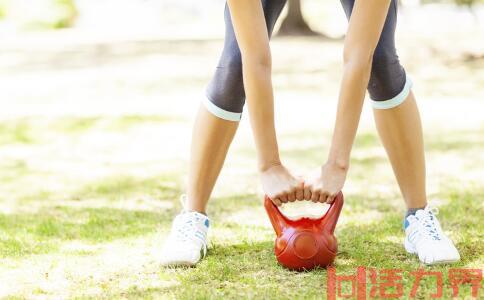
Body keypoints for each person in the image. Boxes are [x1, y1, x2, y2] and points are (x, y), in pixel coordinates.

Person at [160, 0, 460, 266]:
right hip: (246, 58)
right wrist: (269, 165)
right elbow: (257, 60)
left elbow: (358, 57)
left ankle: (418, 216)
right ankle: (192, 216)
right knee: (236, 61)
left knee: (382, 61)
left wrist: (337, 164)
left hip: (369, 55)